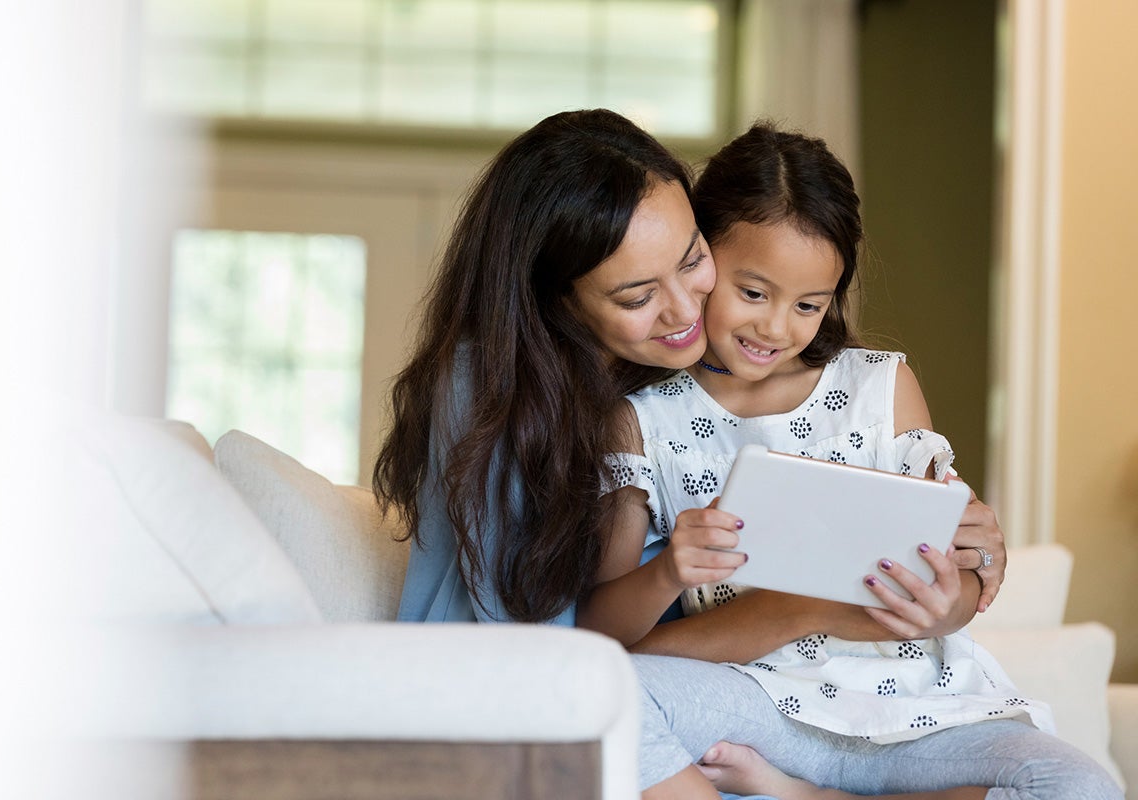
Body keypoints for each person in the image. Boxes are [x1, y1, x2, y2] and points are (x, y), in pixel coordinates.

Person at [373, 108, 1014, 794]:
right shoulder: (505, 391)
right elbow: (568, 657)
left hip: (707, 698)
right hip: (540, 704)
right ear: (559, 302)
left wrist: (968, 546)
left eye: (690, 261)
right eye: (639, 294)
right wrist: (800, 609)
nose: (684, 313)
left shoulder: (673, 372)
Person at [578, 122, 1121, 799]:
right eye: (753, 292)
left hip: (921, 714)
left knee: (1078, 785)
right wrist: (668, 572)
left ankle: (812, 797)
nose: (777, 328)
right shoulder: (642, 419)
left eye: (809, 304)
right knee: (602, 697)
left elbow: (954, 600)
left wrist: (955, 586)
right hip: (758, 706)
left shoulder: (879, 388)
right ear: (703, 261)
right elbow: (601, 639)